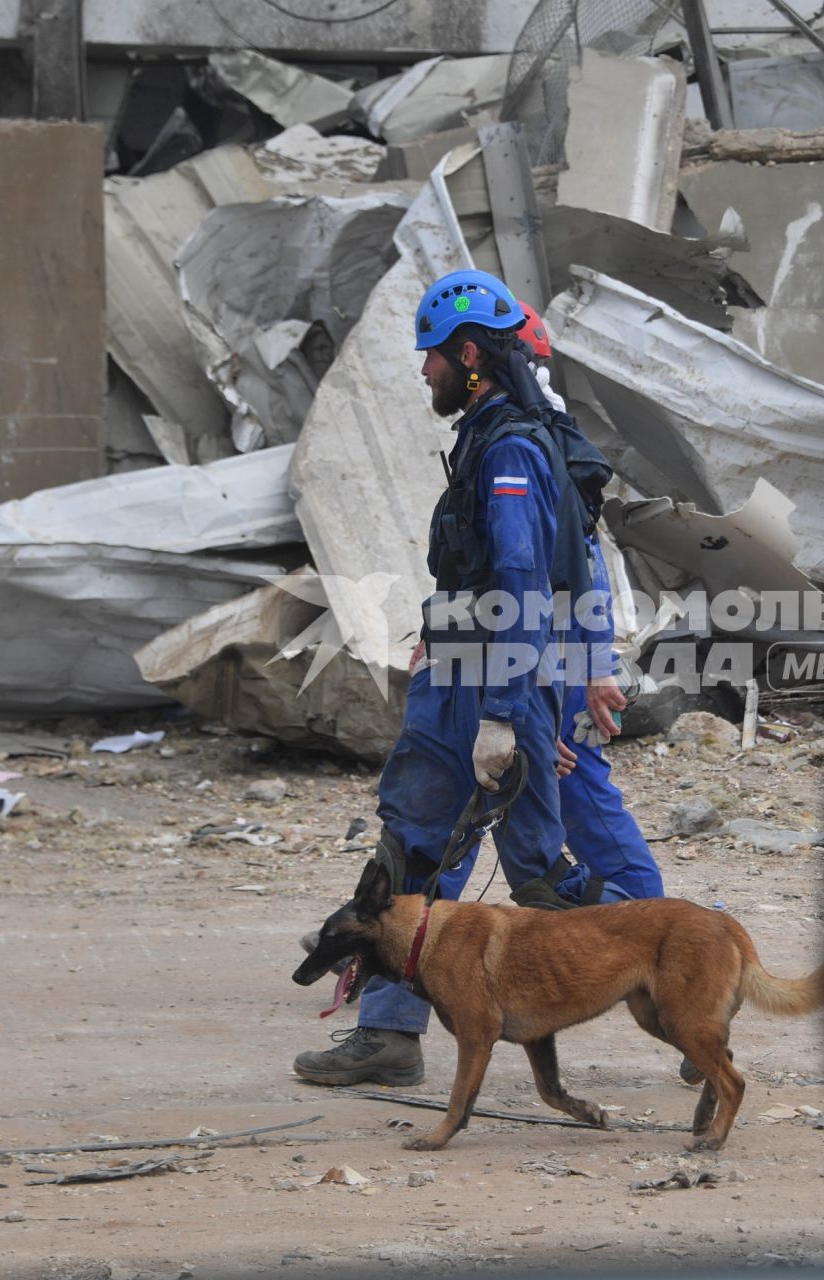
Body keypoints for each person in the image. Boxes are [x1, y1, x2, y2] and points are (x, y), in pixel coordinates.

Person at [293, 270, 625, 1088]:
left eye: (433, 358)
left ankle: (672, 967)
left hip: (487, 690)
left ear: (470, 355)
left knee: (543, 879)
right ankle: (390, 1036)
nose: (424, 372)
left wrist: (506, 716)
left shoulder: (509, 448)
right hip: (464, 680)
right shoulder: (491, 431)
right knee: (411, 859)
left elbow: (519, 580)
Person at [518, 301, 665, 903]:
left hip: (537, 661)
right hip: (546, 660)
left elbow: (554, 573)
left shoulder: (523, 448)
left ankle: (639, 924)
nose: (428, 371)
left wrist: (593, 669)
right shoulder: (544, 438)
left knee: (463, 802)